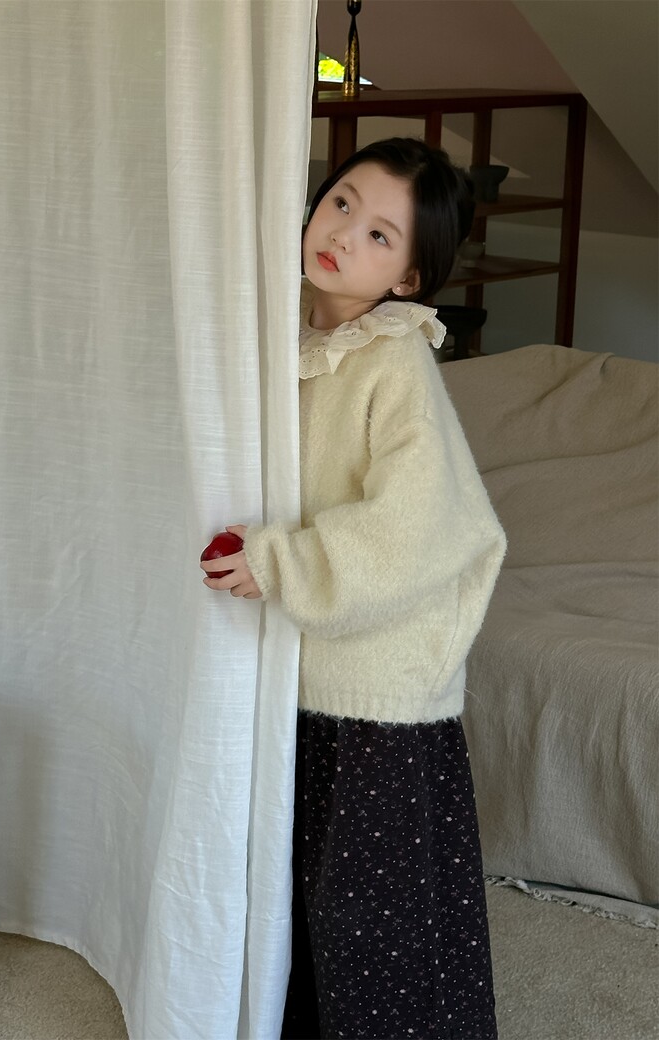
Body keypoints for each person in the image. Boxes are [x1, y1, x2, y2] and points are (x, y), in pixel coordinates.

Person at [200, 137, 506, 1040]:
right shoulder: (283, 333)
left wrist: (281, 562)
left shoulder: (392, 362)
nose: (342, 235)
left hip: (380, 686)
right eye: (341, 203)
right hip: (306, 668)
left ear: (408, 278)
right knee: (301, 888)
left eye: (379, 234)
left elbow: (422, 524)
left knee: (374, 914)